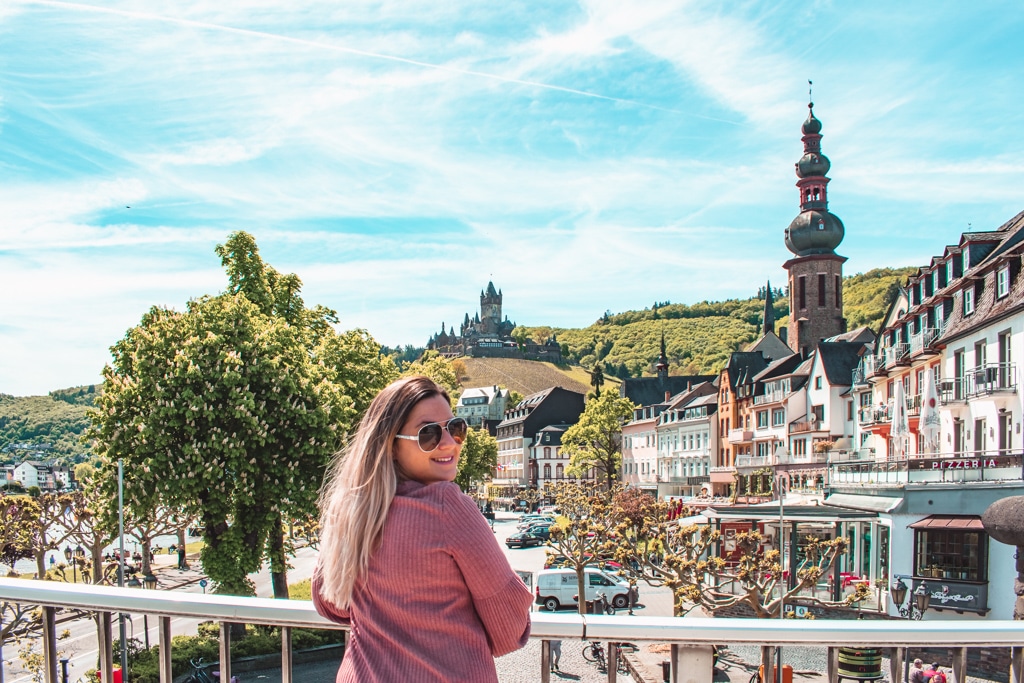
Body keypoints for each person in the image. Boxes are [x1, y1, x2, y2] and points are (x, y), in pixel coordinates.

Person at [313, 376, 532, 683]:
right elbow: (509, 626)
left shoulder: (350, 508)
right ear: (391, 445)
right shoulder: (448, 507)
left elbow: (329, 602)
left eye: (455, 428)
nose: (448, 443)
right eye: (427, 434)